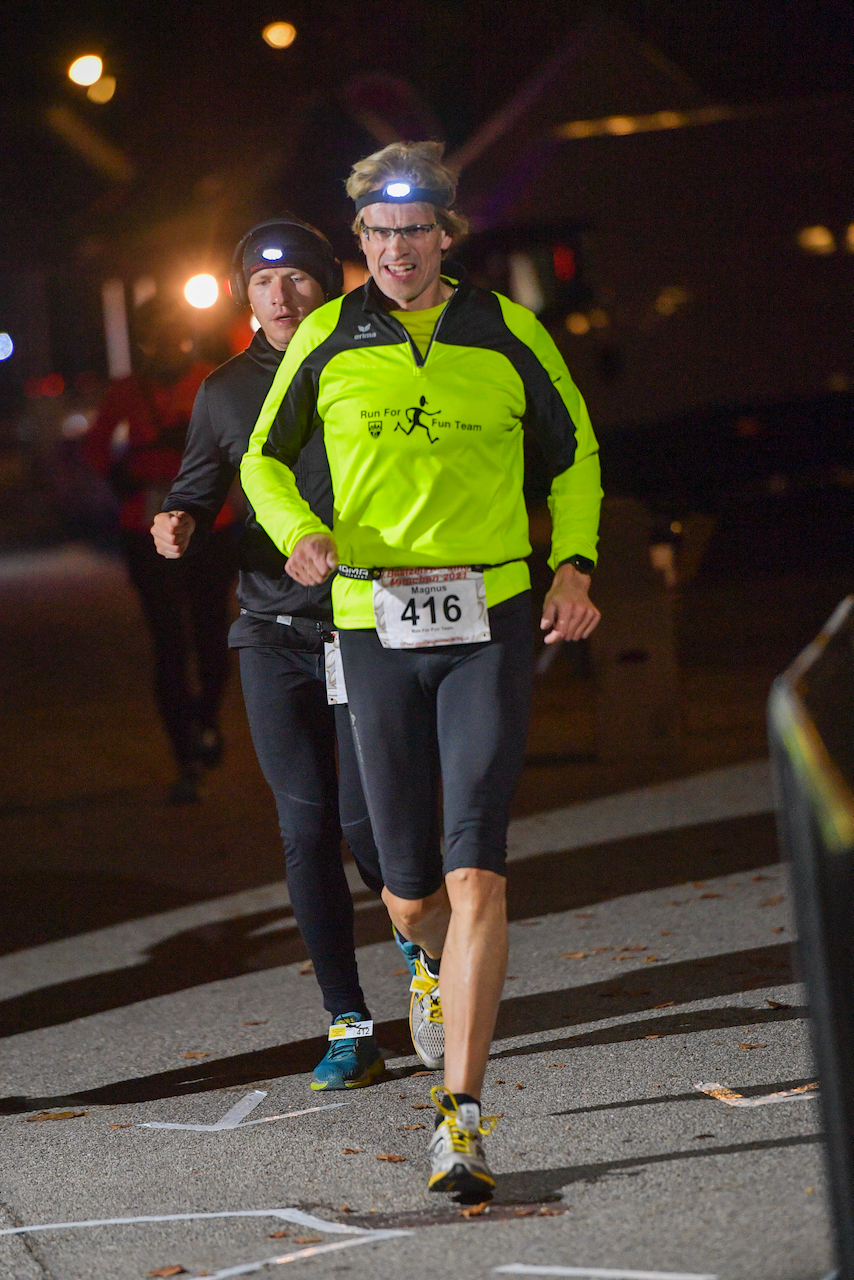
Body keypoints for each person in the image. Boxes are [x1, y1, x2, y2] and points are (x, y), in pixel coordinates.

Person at [241, 142, 602, 1195]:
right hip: (373, 619)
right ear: (360, 243)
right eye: (378, 233)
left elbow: (571, 450)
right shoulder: (325, 334)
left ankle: (462, 1114)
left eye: (417, 230)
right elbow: (263, 458)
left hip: (488, 610)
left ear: (447, 235)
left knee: (473, 864)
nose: (397, 249)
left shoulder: (505, 329)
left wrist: (571, 561)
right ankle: (431, 966)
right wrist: (299, 530)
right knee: (407, 894)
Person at [151, 217, 385, 1090]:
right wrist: (177, 521)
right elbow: (196, 486)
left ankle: (429, 970)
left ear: (330, 281)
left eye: (296, 278)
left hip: (364, 625)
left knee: (372, 831)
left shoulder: (372, 363)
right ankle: (349, 1020)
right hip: (271, 634)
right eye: (261, 281)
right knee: (305, 827)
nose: (280, 296)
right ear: (243, 295)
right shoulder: (224, 390)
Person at [84, 296, 239, 804]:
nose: (169, 343)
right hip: (145, 529)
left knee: (213, 634)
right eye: (158, 334)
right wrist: (123, 475)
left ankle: (206, 719)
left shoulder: (211, 380)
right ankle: (185, 751)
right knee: (169, 644)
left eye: (176, 333)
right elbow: (96, 448)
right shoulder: (126, 392)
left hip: (209, 527)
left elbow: (242, 446)